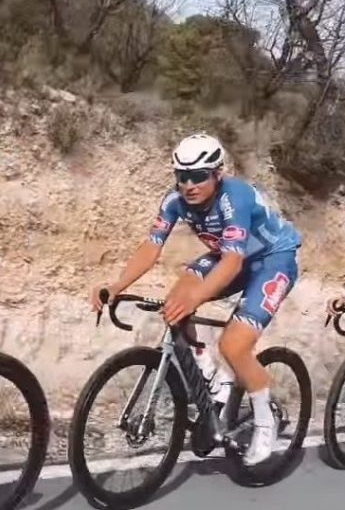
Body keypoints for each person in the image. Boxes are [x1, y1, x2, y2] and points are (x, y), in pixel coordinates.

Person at [88, 133, 302, 466]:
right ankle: (208, 377)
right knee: (176, 300)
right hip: (230, 256)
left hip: (272, 260)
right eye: (182, 176)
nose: (189, 184)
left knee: (234, 346)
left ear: (217, 173)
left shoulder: (236, 197)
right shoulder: (174, 200)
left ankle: (265, 422)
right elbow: (152, 246)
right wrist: (116, 285)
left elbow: (232, 262)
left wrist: (196, 299)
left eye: (198, 175)